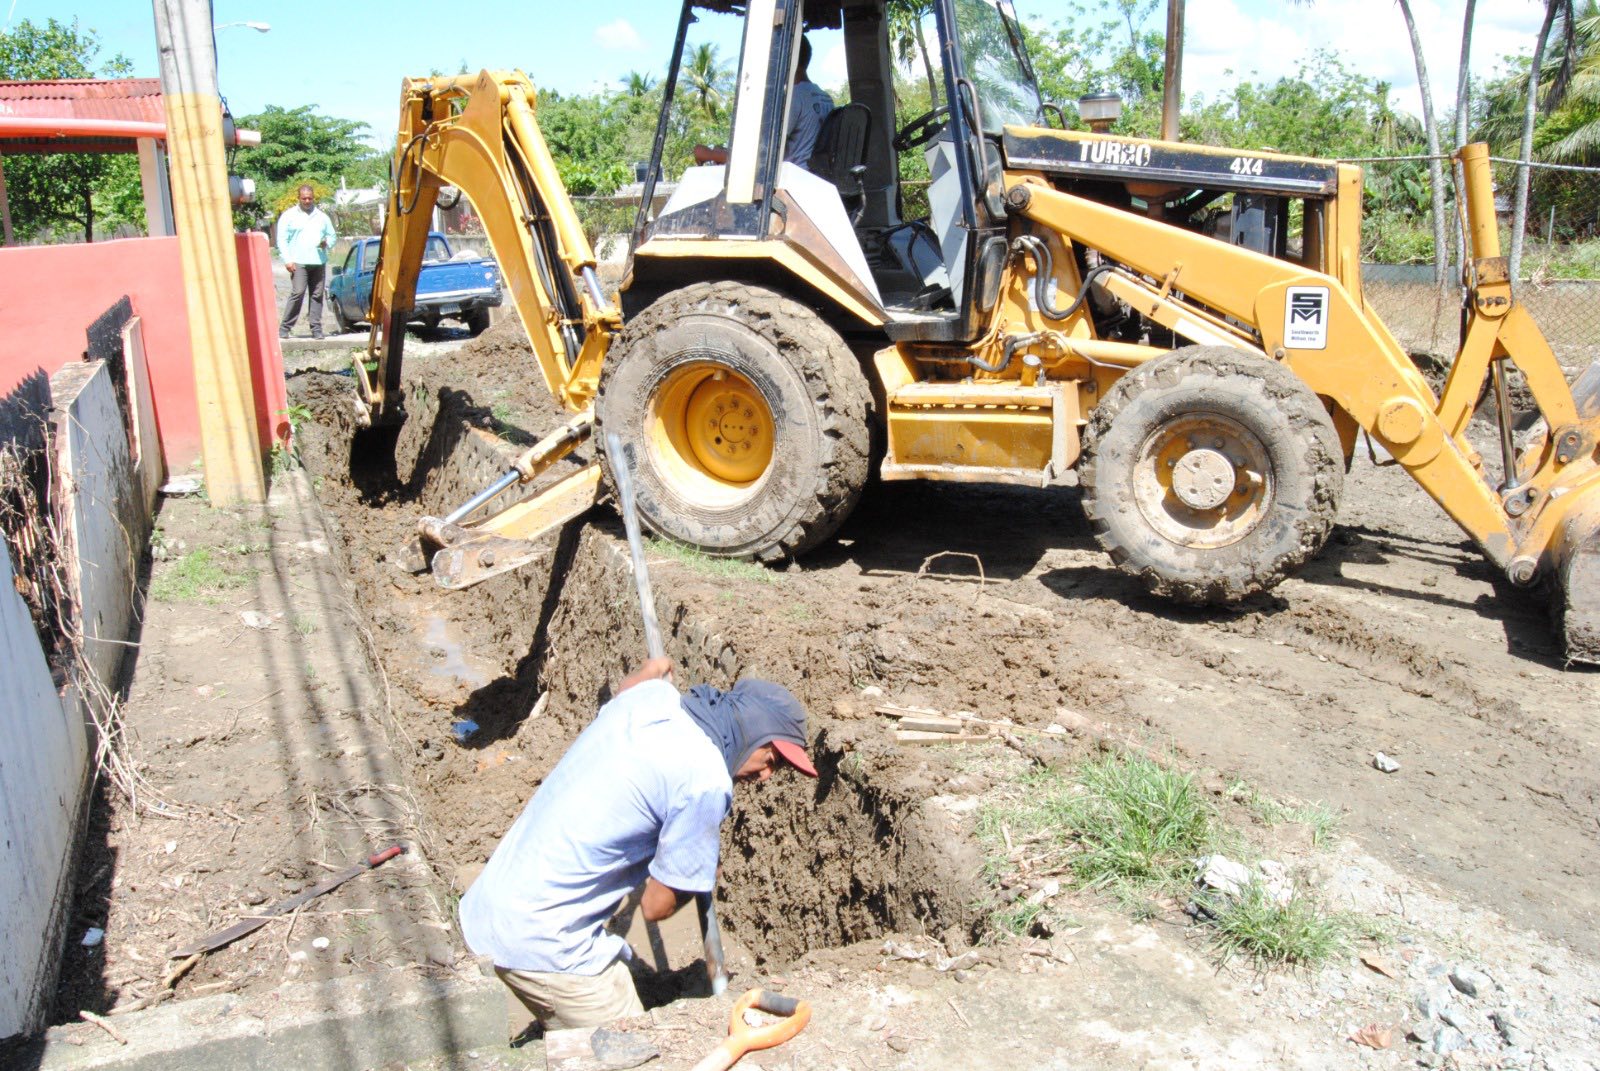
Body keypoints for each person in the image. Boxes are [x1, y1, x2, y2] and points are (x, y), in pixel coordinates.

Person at [458, 657, 818, 1029]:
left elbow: (634, 684)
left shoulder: (653, 700)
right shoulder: (705, 781)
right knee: (632, 1044)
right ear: (753, 733)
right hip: (543, 941)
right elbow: (654, 906)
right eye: (770, 758)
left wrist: (657, 667)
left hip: (491, 903)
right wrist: (698, 869)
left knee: (619, 991)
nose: (766, 776)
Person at [693, 35, 834, 170]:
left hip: (792, 179)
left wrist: (711, 154)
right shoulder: (826, 98)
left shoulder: (793, 97)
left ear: (786, 59)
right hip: (814, 176)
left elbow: (762, 154)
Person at [276, 184, 337, 340]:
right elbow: (282, 239)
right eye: (304, 198)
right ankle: (285, 328)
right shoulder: (289, 216)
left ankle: (316, 328)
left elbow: (332, 236)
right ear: (299, 198)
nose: (307, 201)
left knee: (317, 295)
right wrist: (288, 260)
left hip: (318, 261)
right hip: (298, 261)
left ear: (313, 197)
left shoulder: (322, 216)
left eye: (310, 198)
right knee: (298, 292)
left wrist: (327, 243)